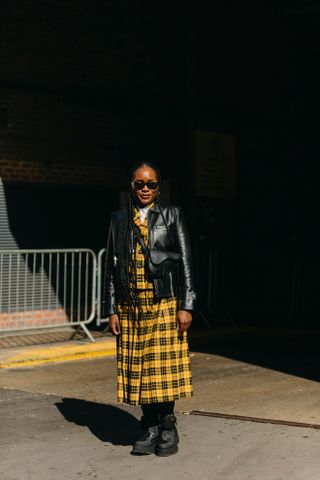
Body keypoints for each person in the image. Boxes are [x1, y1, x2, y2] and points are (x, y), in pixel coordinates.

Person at [104, 162, 196, 456]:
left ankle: (168, 426)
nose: (145, 189)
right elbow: (110, 268)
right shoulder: (118, 219)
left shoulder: (172, 215)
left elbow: (186, 262)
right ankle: (150, 426)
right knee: (141, 370)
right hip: (130, 306)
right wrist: (112, 308)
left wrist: (187, 304)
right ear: (131, 186)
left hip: (163, 302)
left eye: (151, 184)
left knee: (162, 371)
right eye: (139, 184)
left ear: (159, 187)